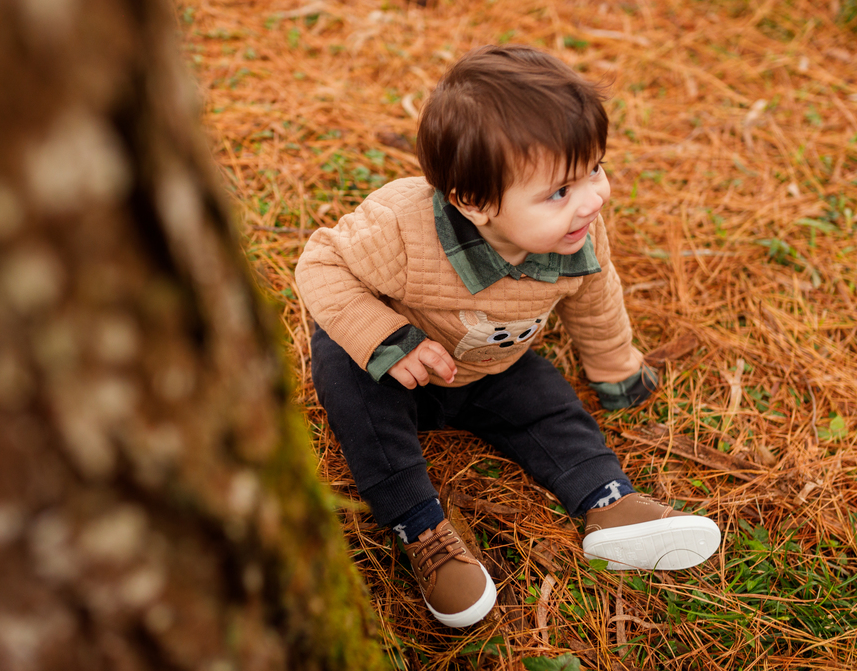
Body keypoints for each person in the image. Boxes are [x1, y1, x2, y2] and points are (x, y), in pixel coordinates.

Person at [295, 44, 720, 628]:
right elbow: (320, 265)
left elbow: (597, 303)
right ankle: (422, 529)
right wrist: (387, 339)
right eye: (559, 192)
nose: (593, 199)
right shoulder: (403, 225)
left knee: (548, 402)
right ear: (475, 203)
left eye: (594, 169)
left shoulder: (578, 240)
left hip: (490, 365)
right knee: (350, 383)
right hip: (396, 365)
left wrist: (617, 370)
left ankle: (608, 503)